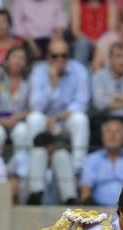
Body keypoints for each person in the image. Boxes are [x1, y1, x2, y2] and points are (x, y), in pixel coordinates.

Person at [25, 39, 92, 170]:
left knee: (80, 119)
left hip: (66, 119)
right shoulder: (38, 71)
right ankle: (34, 165)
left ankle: (77, 166)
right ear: (47, 56)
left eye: (64, 55)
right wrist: (52, 83)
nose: (60, 59)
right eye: (55, 56)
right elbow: (35, 105)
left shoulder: (80, 70)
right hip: (45, 119)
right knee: (34, 118)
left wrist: (57, 118)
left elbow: (81, 103)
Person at [80, 119, 123, 205]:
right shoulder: (91, 159)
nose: (112, 135)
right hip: (97, 210)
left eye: (117, 131)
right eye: (108, 131)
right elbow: (85, 189)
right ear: (102, 137)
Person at [0, 46, 31, 153]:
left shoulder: (28, 79)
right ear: (7, 59)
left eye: (22, 58)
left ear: (26, 62)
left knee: (22, 131)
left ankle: (19, 167)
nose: (18, 61)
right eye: (14, 57)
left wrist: (16, 118)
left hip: (18, 120)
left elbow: (31, 107)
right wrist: (0, 120)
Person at [10, 131, 79, 204]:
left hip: (57, 197)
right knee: (39, 153)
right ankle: (36, 195)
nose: (49, 149)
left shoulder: (64, 158)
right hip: (28, 196)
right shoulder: (21, 158)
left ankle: (70, 201)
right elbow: (8, 176)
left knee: (62, 154)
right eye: (46, 147)